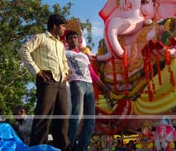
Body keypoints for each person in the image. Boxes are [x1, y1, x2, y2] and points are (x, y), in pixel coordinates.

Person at [18, 14, 70, 151]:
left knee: (63, 119)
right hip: (47, 81)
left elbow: (64, 61)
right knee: (44, 117)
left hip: (61, 83)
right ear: (54, 25)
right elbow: (23, 50)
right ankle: (38, 148)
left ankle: (63, 149)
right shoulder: (41, 37)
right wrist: (37, 71)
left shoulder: (60, 44)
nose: (64, 29)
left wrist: (66, 72)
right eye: (63, 26)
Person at [65, 30, 110, 151]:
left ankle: (82, 148)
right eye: (70, 38)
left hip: (89, 85)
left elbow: (92, 73)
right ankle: (69, 147)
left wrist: (104, 87)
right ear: (67, 41)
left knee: (90, 120)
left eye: (75, 37)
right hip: (76, 83)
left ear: (78, 40)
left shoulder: (84, 56)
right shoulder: (65, 53)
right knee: (77, 116)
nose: (73, 40)